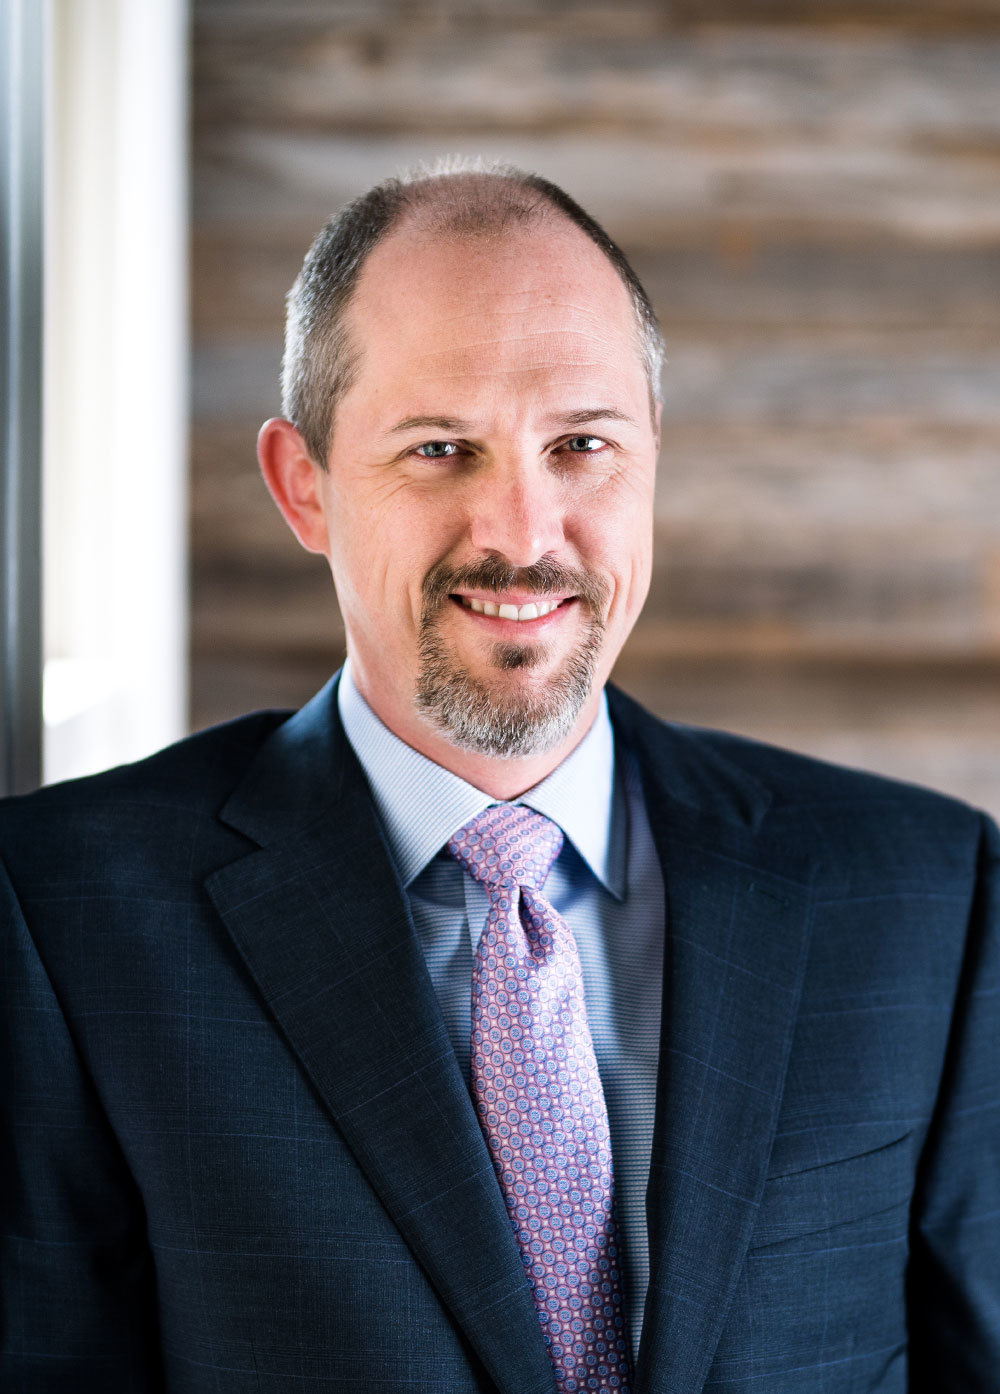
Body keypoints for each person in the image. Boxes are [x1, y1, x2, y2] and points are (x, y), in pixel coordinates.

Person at [1, 161, 997, 1394]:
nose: (523, 533)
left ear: (650, 461)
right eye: (439, 448)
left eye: (581, 443)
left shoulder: (931, 894)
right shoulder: (59, 911)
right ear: (302, 485)